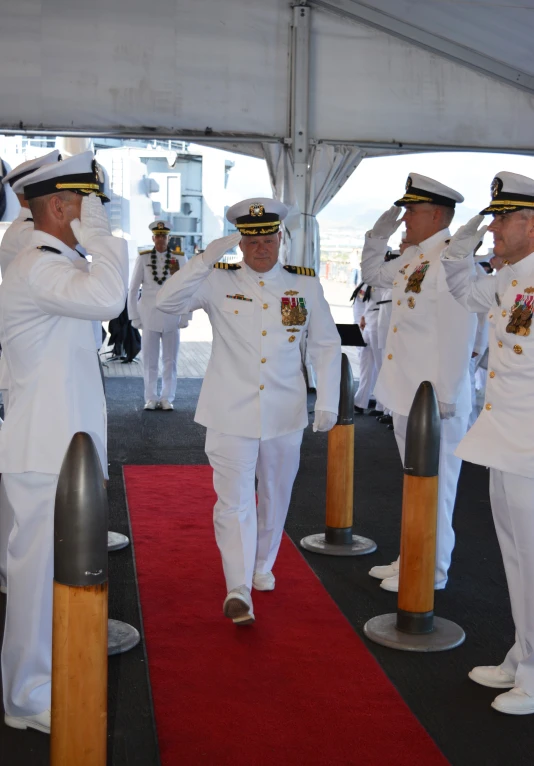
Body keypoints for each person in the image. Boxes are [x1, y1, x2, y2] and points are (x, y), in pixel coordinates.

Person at [157, 198, 341, 625]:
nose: (262, 246)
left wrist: (328, 401)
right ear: (240, 242)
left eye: (269, 237)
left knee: (276, 494)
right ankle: (237, 587)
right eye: (252, 238)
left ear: (281, 239)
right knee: (234, 501)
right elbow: (165, 305)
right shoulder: (216, 280)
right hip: (228, 410)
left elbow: (326, 345)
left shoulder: (305, 286)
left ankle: (262, 565)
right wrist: (204, 258)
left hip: (284, 411)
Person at [0, 151, 128, 734]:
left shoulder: (53, 260)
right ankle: (27, 698)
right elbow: (109, 297)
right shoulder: (38, 264)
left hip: (61, 445)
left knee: (50, 577)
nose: (91, 214)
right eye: (85, 203)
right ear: (59, 205)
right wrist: (101, 235)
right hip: (42, 449)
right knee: (32, 582)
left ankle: (45, 679)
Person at [441, 171, 534, 715]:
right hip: (506, 441)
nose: (494, 228)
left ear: (531, 223)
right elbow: (458, 285)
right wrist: (468, 232)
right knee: (516, 558)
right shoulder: (509, 279)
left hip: (529, 446)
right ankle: (522, 655)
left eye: (502, 218)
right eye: (493, 217)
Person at [361, 173, 477, 592]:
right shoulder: (416, 258)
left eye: (412, 210)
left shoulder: (451, 261)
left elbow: (459, 334)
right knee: (415, 483)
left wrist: (445, 397)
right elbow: (375, 275)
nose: (405, 216)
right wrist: (379, 233)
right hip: (407, 392)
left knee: (438, 487)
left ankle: (431, 571)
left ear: (437, 215)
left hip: (434, 400)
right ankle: (411, 554)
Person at [128, 220, 188, 410]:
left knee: (170, 360)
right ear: (153, 238)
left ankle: (167, 397)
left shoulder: (178, 259)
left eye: (164, 236)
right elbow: (133, 288)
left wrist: (186, 315)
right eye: (158, 236)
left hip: (172, 314)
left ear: (168, 238)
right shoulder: (144, 258)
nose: (161, 239)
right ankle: (151, 397)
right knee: (150, 359)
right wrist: (134, 316)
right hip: (149, 315)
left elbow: (186, 288)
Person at [351, 282, 385, 415]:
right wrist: (363, 318)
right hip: (368, 324)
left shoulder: (385, 281)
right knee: (365, 366)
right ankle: (360, 401)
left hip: (379, 323)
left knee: (381, 366)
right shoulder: (367, 282)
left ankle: (382, 406)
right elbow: (363, 304)